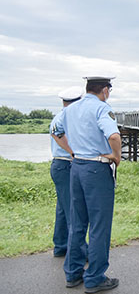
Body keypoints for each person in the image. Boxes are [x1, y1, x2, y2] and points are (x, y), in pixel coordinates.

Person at [53, 76, 121, 294]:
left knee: (77, 222)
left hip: (77, 167)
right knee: (99, 225)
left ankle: (73, 273)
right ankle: (94, 277)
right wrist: (116, 157)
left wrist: (72, 151)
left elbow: (56, 131)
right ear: (104, 90)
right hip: (96, 168)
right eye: (109, 89)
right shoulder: (102, 108)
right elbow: (114, 135)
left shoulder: (70, 109)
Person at [50, 86, 83, 257]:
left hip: (59, 165)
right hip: (65, 165)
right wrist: (73, 152)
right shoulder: (66, 116)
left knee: (63, 208)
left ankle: (61, 245)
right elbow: (57, 133)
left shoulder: (61, 115)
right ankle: (79, 252)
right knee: (73, 209)